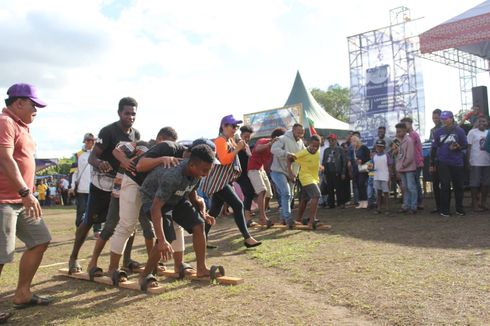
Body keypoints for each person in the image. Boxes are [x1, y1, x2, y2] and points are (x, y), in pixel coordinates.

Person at [67, 97, 140, 275]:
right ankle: (74, 258)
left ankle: (127, 259)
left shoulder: (135, 134)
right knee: (89, 221)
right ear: (119, 113)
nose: (130, 117)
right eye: (127, 113)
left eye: (133, 114)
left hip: (122, 184)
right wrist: (101, 164)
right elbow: (92, 158)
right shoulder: (108, 131)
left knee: (128, 221)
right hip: (102, 184)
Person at [105, 130, 187, 283]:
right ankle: (112, 268)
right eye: (168, 143)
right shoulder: (145, 145)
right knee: (127, 225)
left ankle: (177, 264)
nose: (171, 147)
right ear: (160, 139)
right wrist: (125, 161)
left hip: (151, 188)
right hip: (134, 181)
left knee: (173, 223)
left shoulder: (172, 150)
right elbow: (136, 163)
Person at [0, 83, 52, 311]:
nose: (36, 110)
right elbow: (5, 158)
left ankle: (22, 293)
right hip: (4, 199)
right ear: (18, 102)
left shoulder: (22, 126)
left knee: (40, 240)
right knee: (1, 255)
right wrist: (25, 192)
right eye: (34, 105)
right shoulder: (5, 122)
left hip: (21, 200)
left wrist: (26, 194)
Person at [137, 145, 216, 291]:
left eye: (208, 170)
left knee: (198, 225)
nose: (206, 174)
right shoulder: (173, 175)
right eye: (204, 170)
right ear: (191, 165)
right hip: (153, 200)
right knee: (166, 237)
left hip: (176, 198)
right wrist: (161, 240)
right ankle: (145, 275)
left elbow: (191, 192)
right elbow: (156, 208)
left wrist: (203, 212)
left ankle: (201, 268)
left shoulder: (197, 172)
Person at [202, 115, 261, 248]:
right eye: (233, 126)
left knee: (213, 212)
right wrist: (237, 149)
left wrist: (239, 147)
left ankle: (202, 239)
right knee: (238, 205)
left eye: (237, 127)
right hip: (219, 182)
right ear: (224, 126)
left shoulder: (229, 140)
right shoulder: (220, 141)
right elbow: (224, 160)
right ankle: (247, 238)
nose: (235, 129)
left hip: (222, 181)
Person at [431, 111, 468, 217]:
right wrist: (432, 163)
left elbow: (465, 145)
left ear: (451, 118)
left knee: (459, 186)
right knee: (445, 185)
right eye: (442, 118)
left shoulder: (459, 131)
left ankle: (459, 208)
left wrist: (458, 147)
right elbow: (434, 148)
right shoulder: (438, 132)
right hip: (443, 162)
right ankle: (445, 210)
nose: (444, 120)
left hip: (457, 162)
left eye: (446, 118)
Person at [247, 128, 285, 226]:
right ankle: (263, 218)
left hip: (261, 169)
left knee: (269, 194)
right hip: (253, 169)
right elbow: (257, 149)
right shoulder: (264, 140)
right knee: (262, 190)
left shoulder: (277, 147)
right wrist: (270, 143)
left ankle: (262, 216)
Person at [270, 123, 306, 227]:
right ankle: (288, 218)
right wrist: (286, 154)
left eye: (302, 133)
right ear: (293, 130)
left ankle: (283, 218)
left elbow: (304, 154)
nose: (300, 134)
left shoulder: (301, 143)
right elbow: (273, 149)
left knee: (289, 196)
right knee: (286, 193)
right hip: (278, 171)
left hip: (292, 172)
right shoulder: (282, 138)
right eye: (298, 132)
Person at [290, 135, 322, 228]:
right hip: (305, 178)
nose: (315, 148)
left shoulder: (318, 152)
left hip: (314, 178)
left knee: (304, 199)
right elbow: (290, 159)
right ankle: (312, 220)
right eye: (313, 146)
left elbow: (314, 161)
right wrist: (290, 172)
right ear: (308, 144)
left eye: (317, 146)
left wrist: (320, 166)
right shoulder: (303, 153)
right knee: (316, 195)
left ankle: (298, 219)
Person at [69, 133, 96, 228]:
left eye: (91, 140)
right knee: (81, 210)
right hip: (82, 189)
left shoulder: (98, 154)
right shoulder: (77, 155)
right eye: (87, 140)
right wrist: (72, 187)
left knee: (96, 210)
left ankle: (97, 230)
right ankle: (79, 228)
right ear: (84, 141)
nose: (89, 142)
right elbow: (74, 173)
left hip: (95, 188)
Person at [466, 116, 490, 211]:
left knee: (486, 183)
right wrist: (468, 161)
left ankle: (483, 203)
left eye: (484, 121)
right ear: (476, 122)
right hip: (475, 162)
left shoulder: (489, 132)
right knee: (474, 184)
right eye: (479, 121)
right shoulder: (472, 132)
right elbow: (468, 147)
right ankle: (475, 204)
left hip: (487, 162)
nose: (482, 123)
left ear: (487, 122)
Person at [235, 125, 256, 226]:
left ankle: (246, 215)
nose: (247, 138)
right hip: (239, 173)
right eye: (245, 136)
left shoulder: (246, 145)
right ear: (241, 135)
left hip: (246, 172)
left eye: (249, 136)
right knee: (249, 192)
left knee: (248, 193)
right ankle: (247, 218)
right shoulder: (237, 143)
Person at [400, 117, 424, 209]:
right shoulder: (410, 135)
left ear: (410, 124)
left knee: (414, 183)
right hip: (412, 162)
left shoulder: (412, 135)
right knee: (412, 183)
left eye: (405, 124)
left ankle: (418, 202)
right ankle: (414, 202)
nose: (404, 127)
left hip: (416, 161)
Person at [395, 122, 417, 214]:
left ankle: (413, 207)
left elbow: (410, 156)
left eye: (399, 131)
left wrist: (403, 165)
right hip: (402, 168)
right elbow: (399, 155)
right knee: (405, 187)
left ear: (404, 131)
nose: (397, 133)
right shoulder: (398, 141)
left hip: (408, 168)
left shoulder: (409, 140)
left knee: (411, 187)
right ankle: (406, 206)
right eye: (397, 131)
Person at [322, 134, 347, 209]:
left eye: (332, 140)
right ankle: (331, 204)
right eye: (329, 140)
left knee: (339, 188)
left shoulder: (340, 149)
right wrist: (324, 171)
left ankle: (341, 203)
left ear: (336, 140)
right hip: (328, 171)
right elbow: (324, 161)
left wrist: (343, 172)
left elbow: (344, 162)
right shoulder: (326, 150)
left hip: (337, 171)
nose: (331, 142)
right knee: (330, 188)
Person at [372, 140, 393, 214]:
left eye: (381, 146)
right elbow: (373, 166)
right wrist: (372, 175)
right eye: (378, 146)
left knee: (386, 193)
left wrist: (389, 177)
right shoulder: (374, 156)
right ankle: (379, 208)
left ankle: (387, 208)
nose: (379, 148)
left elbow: (390, 166)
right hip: (377, 177)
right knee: (378, 193)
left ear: (384, 147)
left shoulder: (386, 155)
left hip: (384, 177)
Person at [350, 135, 370, 209]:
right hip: (356, 169)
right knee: (358, 185)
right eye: (352, 141)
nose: (353, 143)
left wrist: (362, 160)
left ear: (358, 141)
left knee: (362, 184)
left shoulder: (363, 147)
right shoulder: (354, 150)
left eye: (354, 141)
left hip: (363, 169)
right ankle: (361, 202)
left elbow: (368, 157)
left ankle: (365, 202)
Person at [429, 109, 443, 214]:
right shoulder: (432, 130)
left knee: (445, 184)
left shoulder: (446, 128)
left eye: (437, 117)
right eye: (433, 118)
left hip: (445, 160)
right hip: (435, 159)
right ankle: (438, 206)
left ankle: (445, 206)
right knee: (435, 184)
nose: (435, 120)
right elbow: (431, 146)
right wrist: (431, 162)